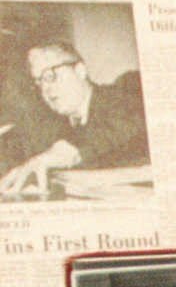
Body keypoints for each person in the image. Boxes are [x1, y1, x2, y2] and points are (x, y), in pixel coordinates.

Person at [0, 39, 148, 197]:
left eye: (51, 75)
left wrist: (68, 152)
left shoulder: (123, 98)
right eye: (39, 82)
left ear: (80, 70)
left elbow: (123, 123)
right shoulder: (57, 123)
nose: (46, 88)